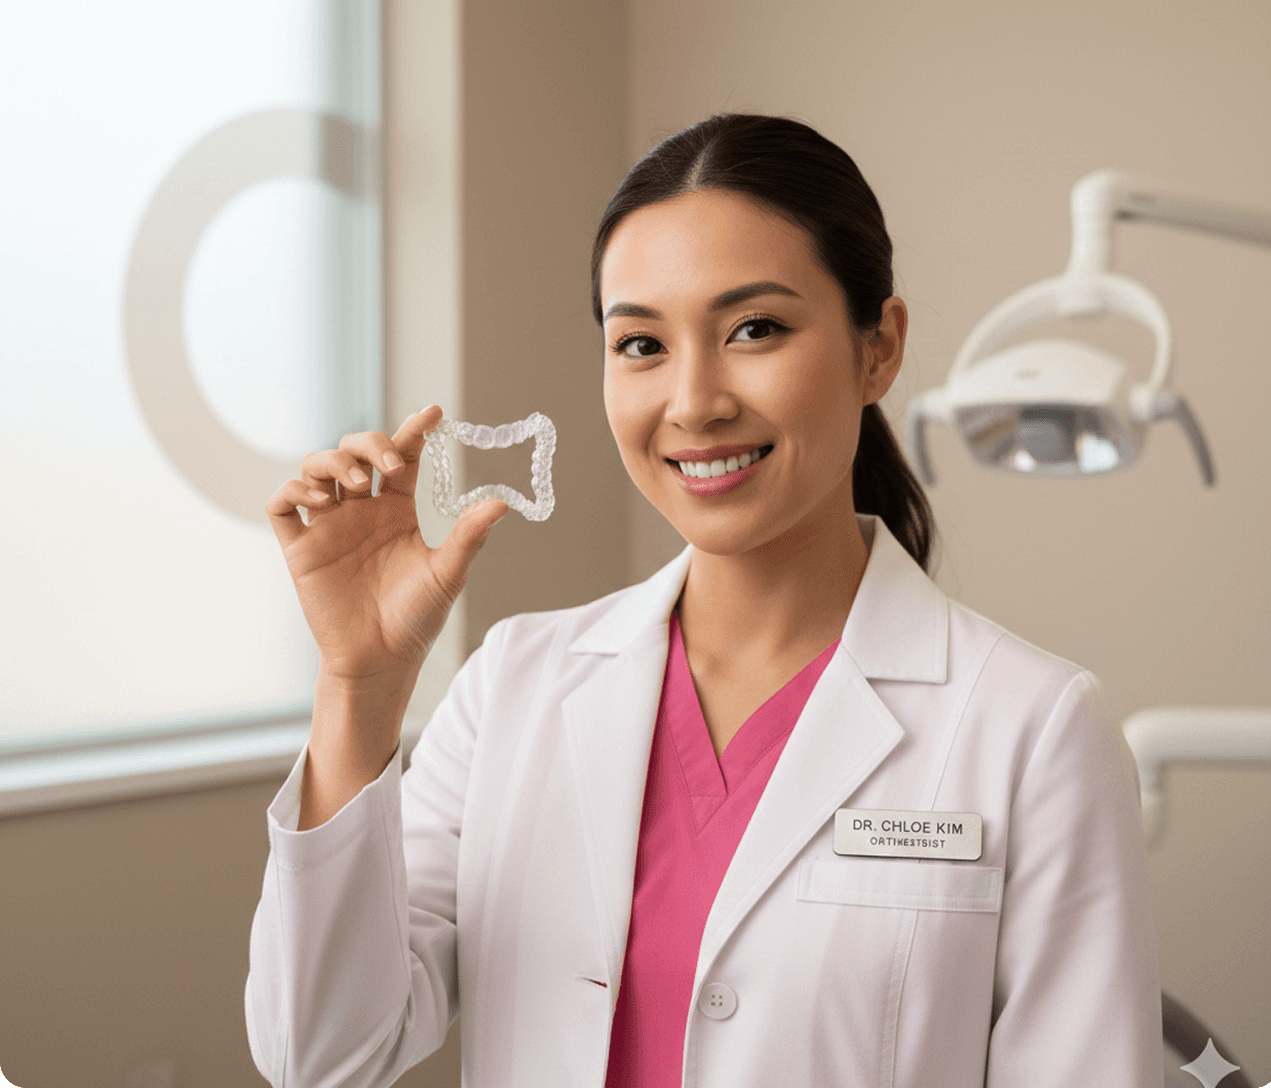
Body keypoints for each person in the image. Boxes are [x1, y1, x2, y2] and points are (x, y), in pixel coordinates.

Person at [246, 114, 1163, 1088]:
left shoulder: (1030, 727)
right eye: (639, 343)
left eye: (753, 329)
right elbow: (324, 1053)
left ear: (877, 349)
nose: (692, 401)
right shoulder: (512, 686)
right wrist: (360, 684)